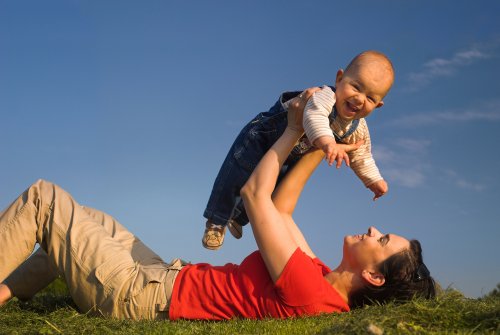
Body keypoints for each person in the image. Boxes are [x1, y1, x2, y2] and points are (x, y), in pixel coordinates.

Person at [0, 89, 435, 320]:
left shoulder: (311, 293)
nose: (374, 230)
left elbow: (254, 196)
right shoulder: (318, 277)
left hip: (140, 295)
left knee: (44, 198)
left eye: (383, 240)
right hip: (162, 275)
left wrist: (289, 130)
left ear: (374, 277)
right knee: (94, 221)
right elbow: (282, 210)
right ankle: (6, 292)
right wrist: (325, 142)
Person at [202, 50, 394, 250]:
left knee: (272, 186)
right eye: (356, 86)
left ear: (378, 106)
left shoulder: (358, 127)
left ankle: (238, 218)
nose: (359, 98)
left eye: (370, 98)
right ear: (339, 79)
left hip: (290, 154)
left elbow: (361, 154)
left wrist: (373, 181)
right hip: (264, 137)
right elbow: (315, 117)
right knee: (237, 173)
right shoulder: (325, 97)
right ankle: (217, 220)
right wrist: (329, 143)